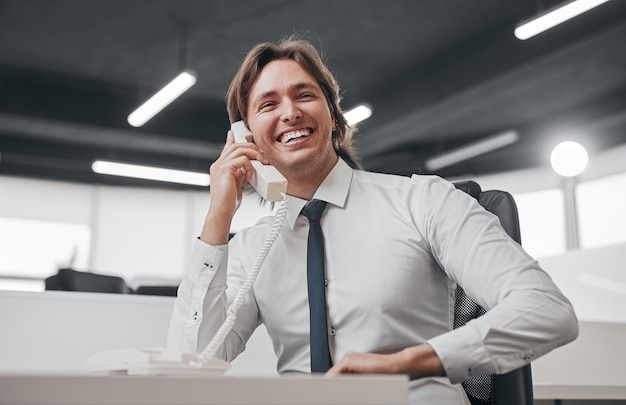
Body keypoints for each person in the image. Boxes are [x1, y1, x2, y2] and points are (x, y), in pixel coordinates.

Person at [167, 34, 579, 404]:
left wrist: (411, 362)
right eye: (268, 104)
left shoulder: (423, 200)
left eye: (304, 95)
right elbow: (188, 366)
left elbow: (546, 310)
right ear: (246, 136)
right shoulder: (250, 248)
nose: (289, 112)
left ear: (333, 113)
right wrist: (219, 215)